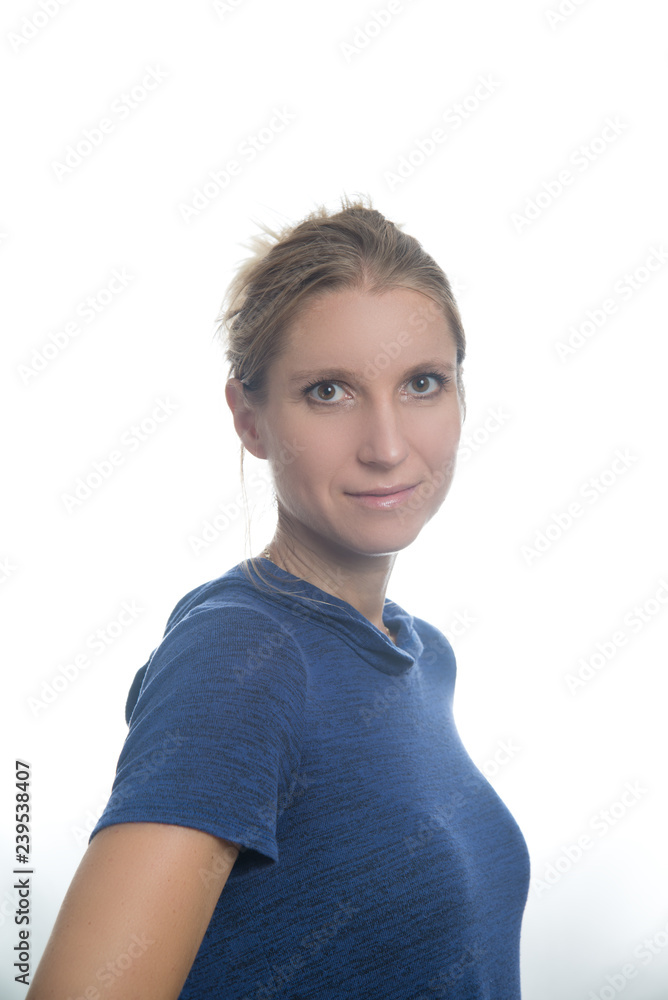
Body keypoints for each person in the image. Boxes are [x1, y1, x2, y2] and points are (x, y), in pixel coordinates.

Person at [26, 194, 530, 999]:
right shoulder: (245, 656)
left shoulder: (420, 655)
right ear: (250, 419)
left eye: (422, 383)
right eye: (329, 391)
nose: (388, 446)